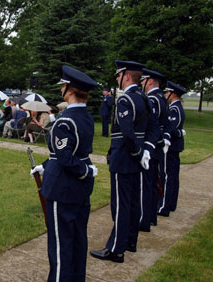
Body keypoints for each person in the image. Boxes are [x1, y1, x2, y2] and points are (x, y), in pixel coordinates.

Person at [30, 65, 98, 281]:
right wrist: (46, 165)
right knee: (78, 241)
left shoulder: (65, 120)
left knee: (60, 247)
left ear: (69, 90)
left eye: (63, 86)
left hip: (62, 189)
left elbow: (65, 158)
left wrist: (85, 170)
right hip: (79, 188)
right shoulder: (85, 117)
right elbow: (69, 153)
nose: (62, 89)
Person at [90, 60, 152, 263]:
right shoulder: (144, 98)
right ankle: (130, 241)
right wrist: (145, 151)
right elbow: (154, 128)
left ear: (126, 76)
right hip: (135, 158)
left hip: (124, 157)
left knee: (121, 205)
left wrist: (136, 152)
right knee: (133, 202)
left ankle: (116, 249)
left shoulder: (126, 100)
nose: (117, 79)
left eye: (118, 75)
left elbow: (126, 132)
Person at [138, 68, 168, 230]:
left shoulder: (153, 100)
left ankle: (144, 219)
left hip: (151, 146)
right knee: (151, 183)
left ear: (149, 81)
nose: (141, 84)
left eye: (143, 81)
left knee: (146, 185)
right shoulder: (161, 98)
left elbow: (152, 125)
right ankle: (150, 216)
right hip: (156, 146)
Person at [157, 81, 186, 216]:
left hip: (171, 146)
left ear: (173, 94)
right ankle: (171, 203)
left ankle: (164, 206)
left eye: (167, 92)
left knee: (168, 175)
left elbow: (171, 128)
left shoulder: (174, 108)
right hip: (175, 146)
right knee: (173, 175)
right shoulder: (176, 107)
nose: (165, 94)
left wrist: (179, 132)